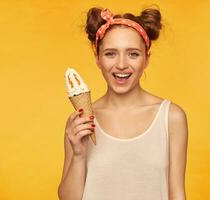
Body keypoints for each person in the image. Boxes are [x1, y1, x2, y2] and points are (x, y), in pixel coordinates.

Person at [58, 6, 188, 200]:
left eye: (133, 54)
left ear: (146, 60)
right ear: (97, 58)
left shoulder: (171, 117)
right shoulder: (81, 121)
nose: (121, 64)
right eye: (111, 53)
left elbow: (177, 193)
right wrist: (78, 154)